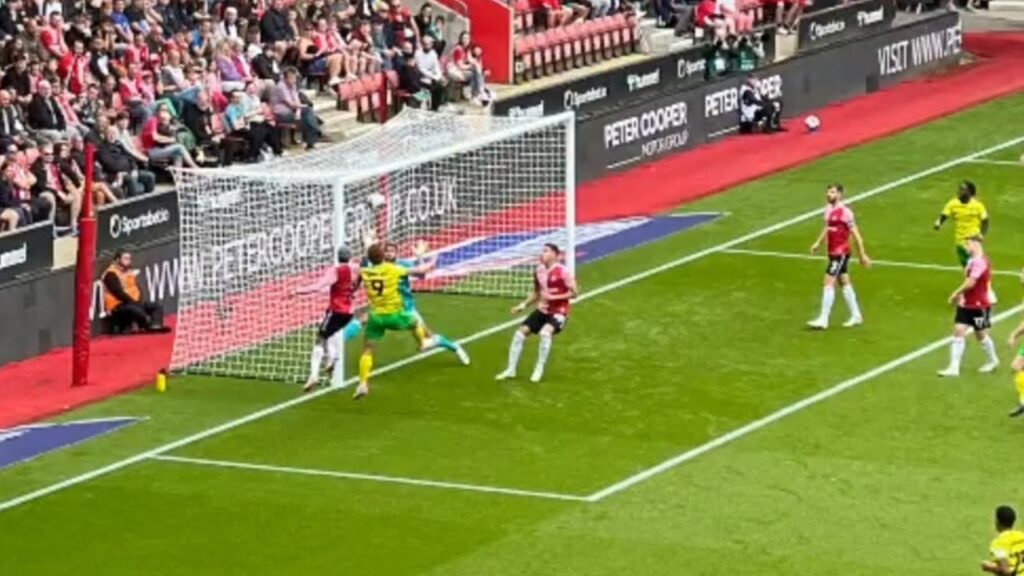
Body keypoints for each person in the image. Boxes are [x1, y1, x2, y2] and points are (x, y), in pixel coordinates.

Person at [354, 242, 445, 400]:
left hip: (376, 317)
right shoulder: (393, 269)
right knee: (416, 323)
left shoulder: (364, 272)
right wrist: (433, 259)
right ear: (383, 256)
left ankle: (362, 383)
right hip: (395, 315)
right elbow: (421, 272)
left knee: (367, 350)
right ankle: (423, 343)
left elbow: (354, 285)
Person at [496, 243, 578, 383]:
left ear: (554, 254)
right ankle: (511, 369)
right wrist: (522, 306)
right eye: (543, 251)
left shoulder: (563, 272)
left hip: (559, 311)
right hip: (542, 310)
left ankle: (539, 368)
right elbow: (536, 292)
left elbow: (575, 293)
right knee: (519, 334)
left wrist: (554, 297)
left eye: (546, 251)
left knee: (545, 333)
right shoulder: (539, 271)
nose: (542, 254)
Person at [294, 246, 361, 392]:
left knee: (320, 338)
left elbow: (319, 286)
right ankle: (331, 359)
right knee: (331, 334)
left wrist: (298, 291)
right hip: (349, 313)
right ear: (350, 257)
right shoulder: (357, 269)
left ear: (338, 257)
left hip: (336, 311)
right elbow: (361, 279)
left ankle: (314, 375)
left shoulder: (336, 270)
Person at [808, 184, 870, 330]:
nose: (828, 194)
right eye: (828, 192)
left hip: (840, 253)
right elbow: (828, 227)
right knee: (844, 282)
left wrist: (862, 255)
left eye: (832, 192)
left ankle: (823, 319)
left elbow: (856, 235)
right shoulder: (828, 209)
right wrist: (818, 242)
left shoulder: (845, 212)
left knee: (828, 282)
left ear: (840, 194)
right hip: (832, 252)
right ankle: (856, 315)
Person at [938, 235, 999, 377]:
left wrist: (955, 293)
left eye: (968, 244)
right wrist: (962, 296)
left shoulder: (980, 262)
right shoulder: (973, 260)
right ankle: (954, 368)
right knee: (959, 330)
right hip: (966, 304)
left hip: (979, 305)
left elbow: (971, 283)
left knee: (981, 335)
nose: (966, 248)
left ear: (975, 244)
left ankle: (993, 360)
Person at [935, 180, 996, 302]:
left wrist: (981, 235)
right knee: (967, 269)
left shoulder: (978, 206)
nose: (960, 191)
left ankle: (987, 290)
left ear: (970, 192)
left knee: (979, 266)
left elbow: (985, 221)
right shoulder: (953, 203)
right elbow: (945, 214)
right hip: (961, 242)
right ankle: (971, 292)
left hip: (974, 240)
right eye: (959, 189)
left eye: (963, 189)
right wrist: (939, 223)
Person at [102, 249, 171, 333]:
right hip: (118, 305)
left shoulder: (128, 272)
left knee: (156, 306)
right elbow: (118, 293)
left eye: (129, 259)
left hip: (133, 302)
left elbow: (135, 288)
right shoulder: (111, 274)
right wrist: (134, 302)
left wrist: (138, 302)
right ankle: (147, 325)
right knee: (136, 311)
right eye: (125, 259)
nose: (128, 261)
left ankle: (156, 326)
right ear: (117, 260)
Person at [270, 67, 319, 150]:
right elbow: (290, 104)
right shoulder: (281, 87)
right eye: (292, 78)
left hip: (291, 111)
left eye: (295, 78)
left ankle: (311, 141)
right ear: (285, 78)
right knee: (308, 115)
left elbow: (297, 101)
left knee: (308, 113)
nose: (294, 80)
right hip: (281, 114)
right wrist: (301, 107)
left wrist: (298, 111)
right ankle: (311, 141)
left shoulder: (293, 86)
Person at [982, 506, 1024, 575]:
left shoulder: (999, 543)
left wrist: (989, 567)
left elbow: (1005, 571)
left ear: (997, 522)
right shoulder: (1022, 536)